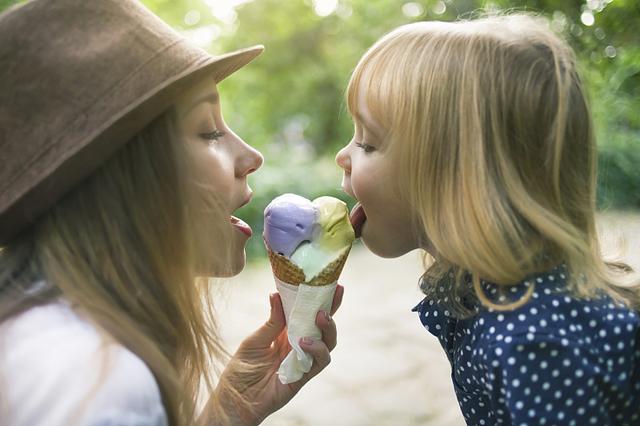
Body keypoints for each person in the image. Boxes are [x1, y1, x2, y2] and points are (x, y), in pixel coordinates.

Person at [0, 1, 342, 425]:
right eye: (209, 131)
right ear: (120, 184)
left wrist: (226, 415)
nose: (251, 157)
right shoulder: (98, 383)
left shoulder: (42, 345)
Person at [336, 13, 640, 425]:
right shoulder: (491, 296)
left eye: (369, 142)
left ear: (458, 180)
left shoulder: (533, 343)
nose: (344, 156)